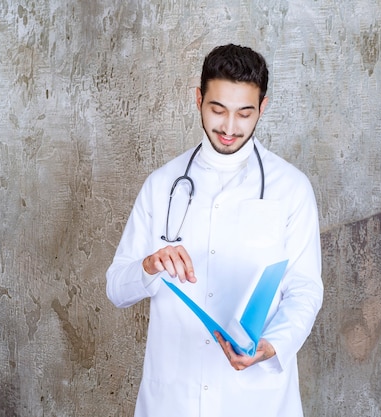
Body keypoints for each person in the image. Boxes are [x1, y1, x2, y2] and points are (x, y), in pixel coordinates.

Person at [106, 44, 323, 417]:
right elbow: (116, 289)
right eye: (217, 109)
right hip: (173, 399)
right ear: (198, 99)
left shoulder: (291, 188)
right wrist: (150, 264)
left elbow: (304, 288)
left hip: (256, 401)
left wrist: (271, 345)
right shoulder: (162, 186)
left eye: (244, 113)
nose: (228, 127)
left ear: (263, 107)